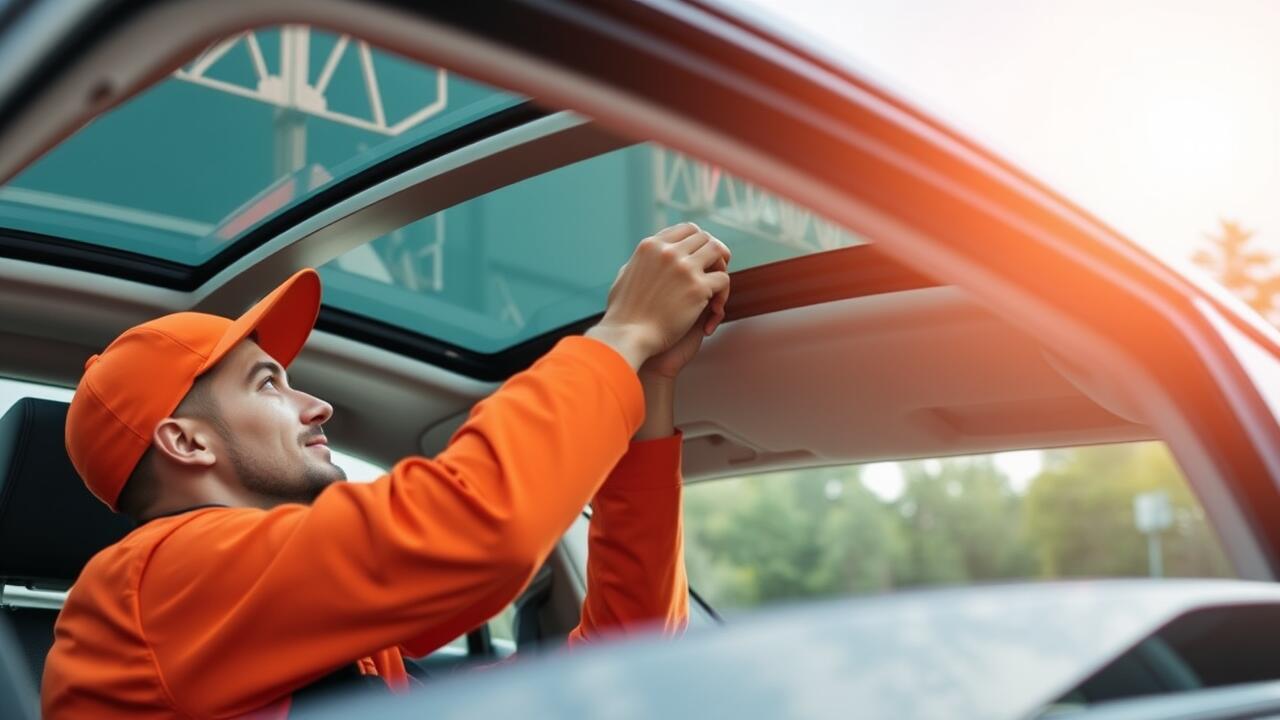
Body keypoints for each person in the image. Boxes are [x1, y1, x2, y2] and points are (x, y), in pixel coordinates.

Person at [41, 222, 732, 719]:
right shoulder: (151, 583)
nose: (317, 405)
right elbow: (481, 528)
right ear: (184, 442)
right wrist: (621, 334)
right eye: (268, 385)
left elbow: (625, 660)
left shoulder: (300, 621)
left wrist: (652, 382)